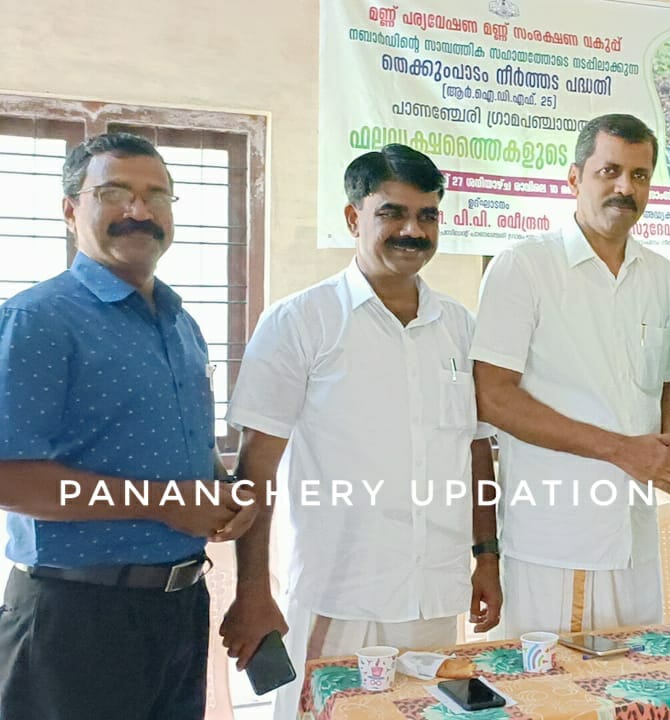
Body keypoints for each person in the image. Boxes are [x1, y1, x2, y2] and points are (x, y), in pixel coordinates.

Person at [219, 145, 501, 720]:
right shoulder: (301, 321)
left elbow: (475, 450)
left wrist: (488, 558)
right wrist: (252, 590)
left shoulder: (460, 328)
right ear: (354, 217)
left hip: (432, 598)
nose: (413, 231)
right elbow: (257, 469)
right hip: (340, 596)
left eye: (427, 215)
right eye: (392, 213)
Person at [0, 132, 255, 718]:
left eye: (156, 195)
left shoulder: (180, 323)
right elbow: (8, 477)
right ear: (71, 210)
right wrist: (165, 503)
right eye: (114, 193)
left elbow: (176, 449)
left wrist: (223, 493)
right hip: (77, 618)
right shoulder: (37, 320)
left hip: (179, 608)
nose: (139, 211)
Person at [471, 113, 670, 638]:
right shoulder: (524, 267)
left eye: (639, 175)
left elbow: (669, 384)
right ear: (574, 178)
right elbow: (493, 397)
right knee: (552, 682)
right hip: (557, 540)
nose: (625, 188)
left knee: (632, 675)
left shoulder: (658, 273)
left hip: (634, 537)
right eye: (609, 171)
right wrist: (621, 450)